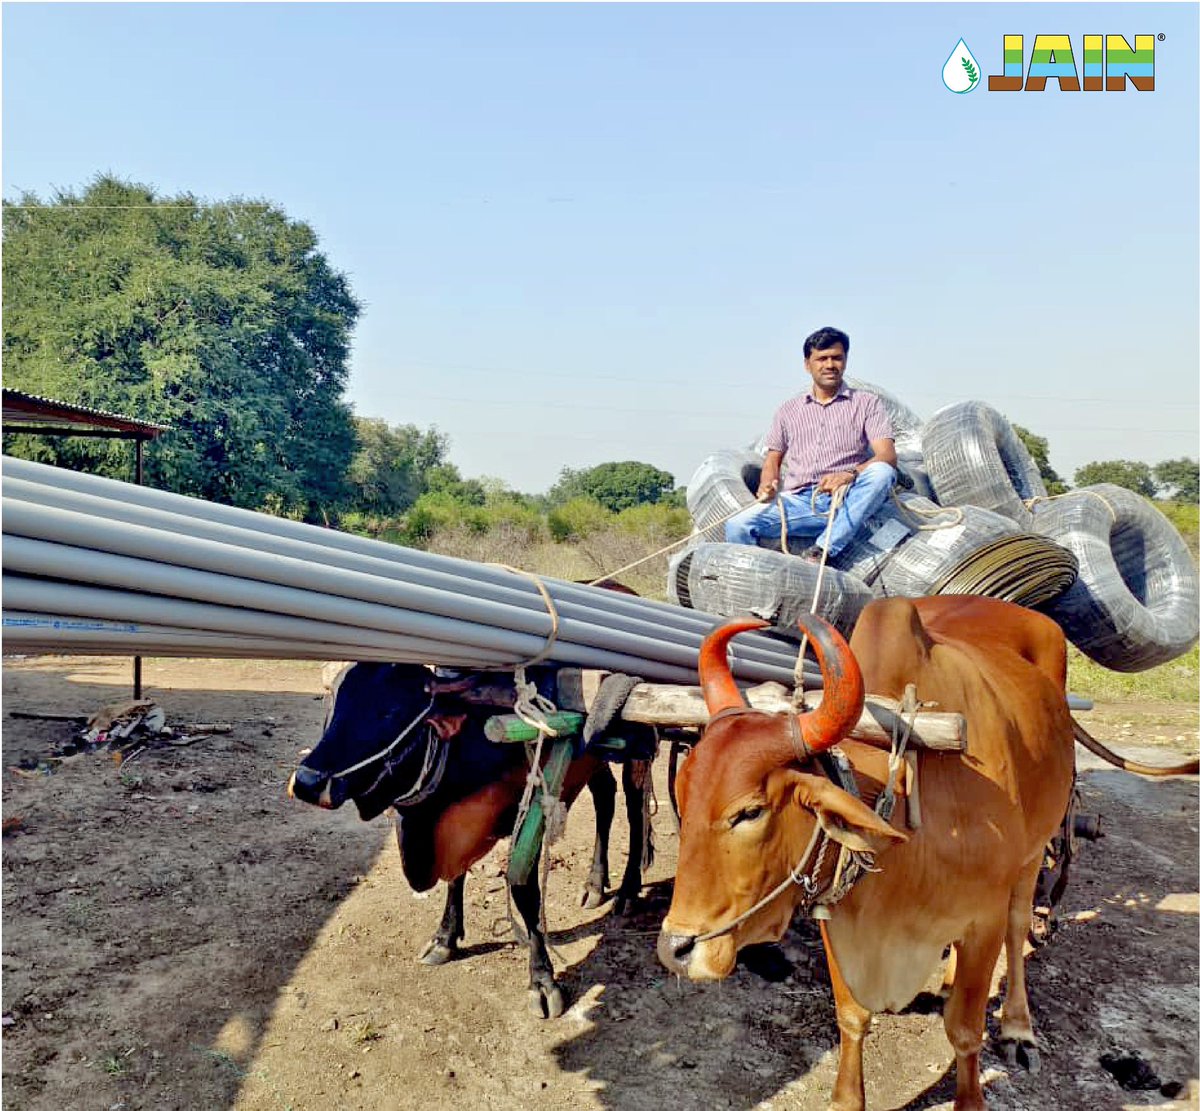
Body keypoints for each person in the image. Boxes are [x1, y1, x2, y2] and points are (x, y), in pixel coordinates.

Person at [724, 326, 897, 561]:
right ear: (808, 364)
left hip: (848, 499)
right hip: (799, 503)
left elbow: (887, 455)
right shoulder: (788, 410)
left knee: (882, 472)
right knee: (737, 525)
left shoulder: (866, 403)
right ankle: (752, 586)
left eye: (837, 358)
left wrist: (848, 474)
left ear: (845, 361)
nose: (830, 365)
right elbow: (773, 459)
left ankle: (823, 549)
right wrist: (767, 485)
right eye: (821, 358)